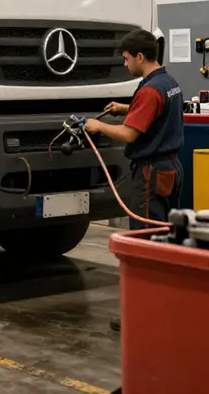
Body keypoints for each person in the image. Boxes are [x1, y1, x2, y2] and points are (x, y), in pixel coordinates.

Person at [83, 28, 184, 332]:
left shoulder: (150, 90)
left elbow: (129, 134)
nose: (125, 65)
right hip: (171, 169)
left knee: (144, 245)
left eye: (127, 59)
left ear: (140, 57)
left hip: (151, 173)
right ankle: (168, 306)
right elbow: (154, 113)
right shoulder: (169, 83)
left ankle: (144, 316)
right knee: (165, 241)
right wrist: (124, 108)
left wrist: (98, 125)